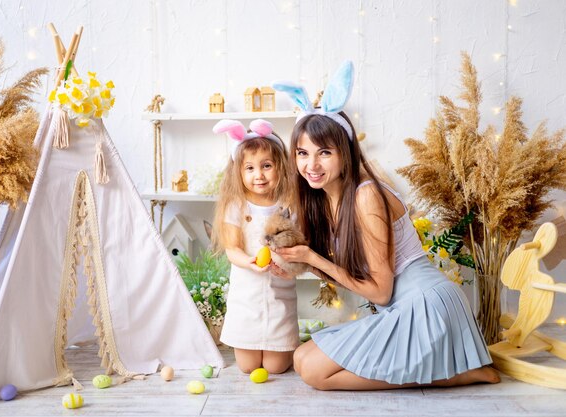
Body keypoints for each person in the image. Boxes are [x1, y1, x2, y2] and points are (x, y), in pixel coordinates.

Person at [271, 61, 500, 390]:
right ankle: (441, 368)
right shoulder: (327, 199)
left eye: (324, 152)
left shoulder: (365, 196)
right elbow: (356, 275)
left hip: (426, 307)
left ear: (345, 151)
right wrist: (300, 264)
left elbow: (380, 291)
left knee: (314, 374)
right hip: (402, 309)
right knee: (301, 358)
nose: (311, 165)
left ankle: (454, 373)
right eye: (302, 153)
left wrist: (312, 259)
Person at [211, 119, 299, 374]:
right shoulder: (236, 206)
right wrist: (248, 261)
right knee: (247, 367)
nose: (258, 175)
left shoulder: (289, 204)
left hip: (278, 289)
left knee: (276, 367)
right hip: (246, 292)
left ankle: (284, 348)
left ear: (280, 167)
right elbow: (232, 249)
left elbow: (297, 243)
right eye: (249, 168)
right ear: (238, 171)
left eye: (266, 166)